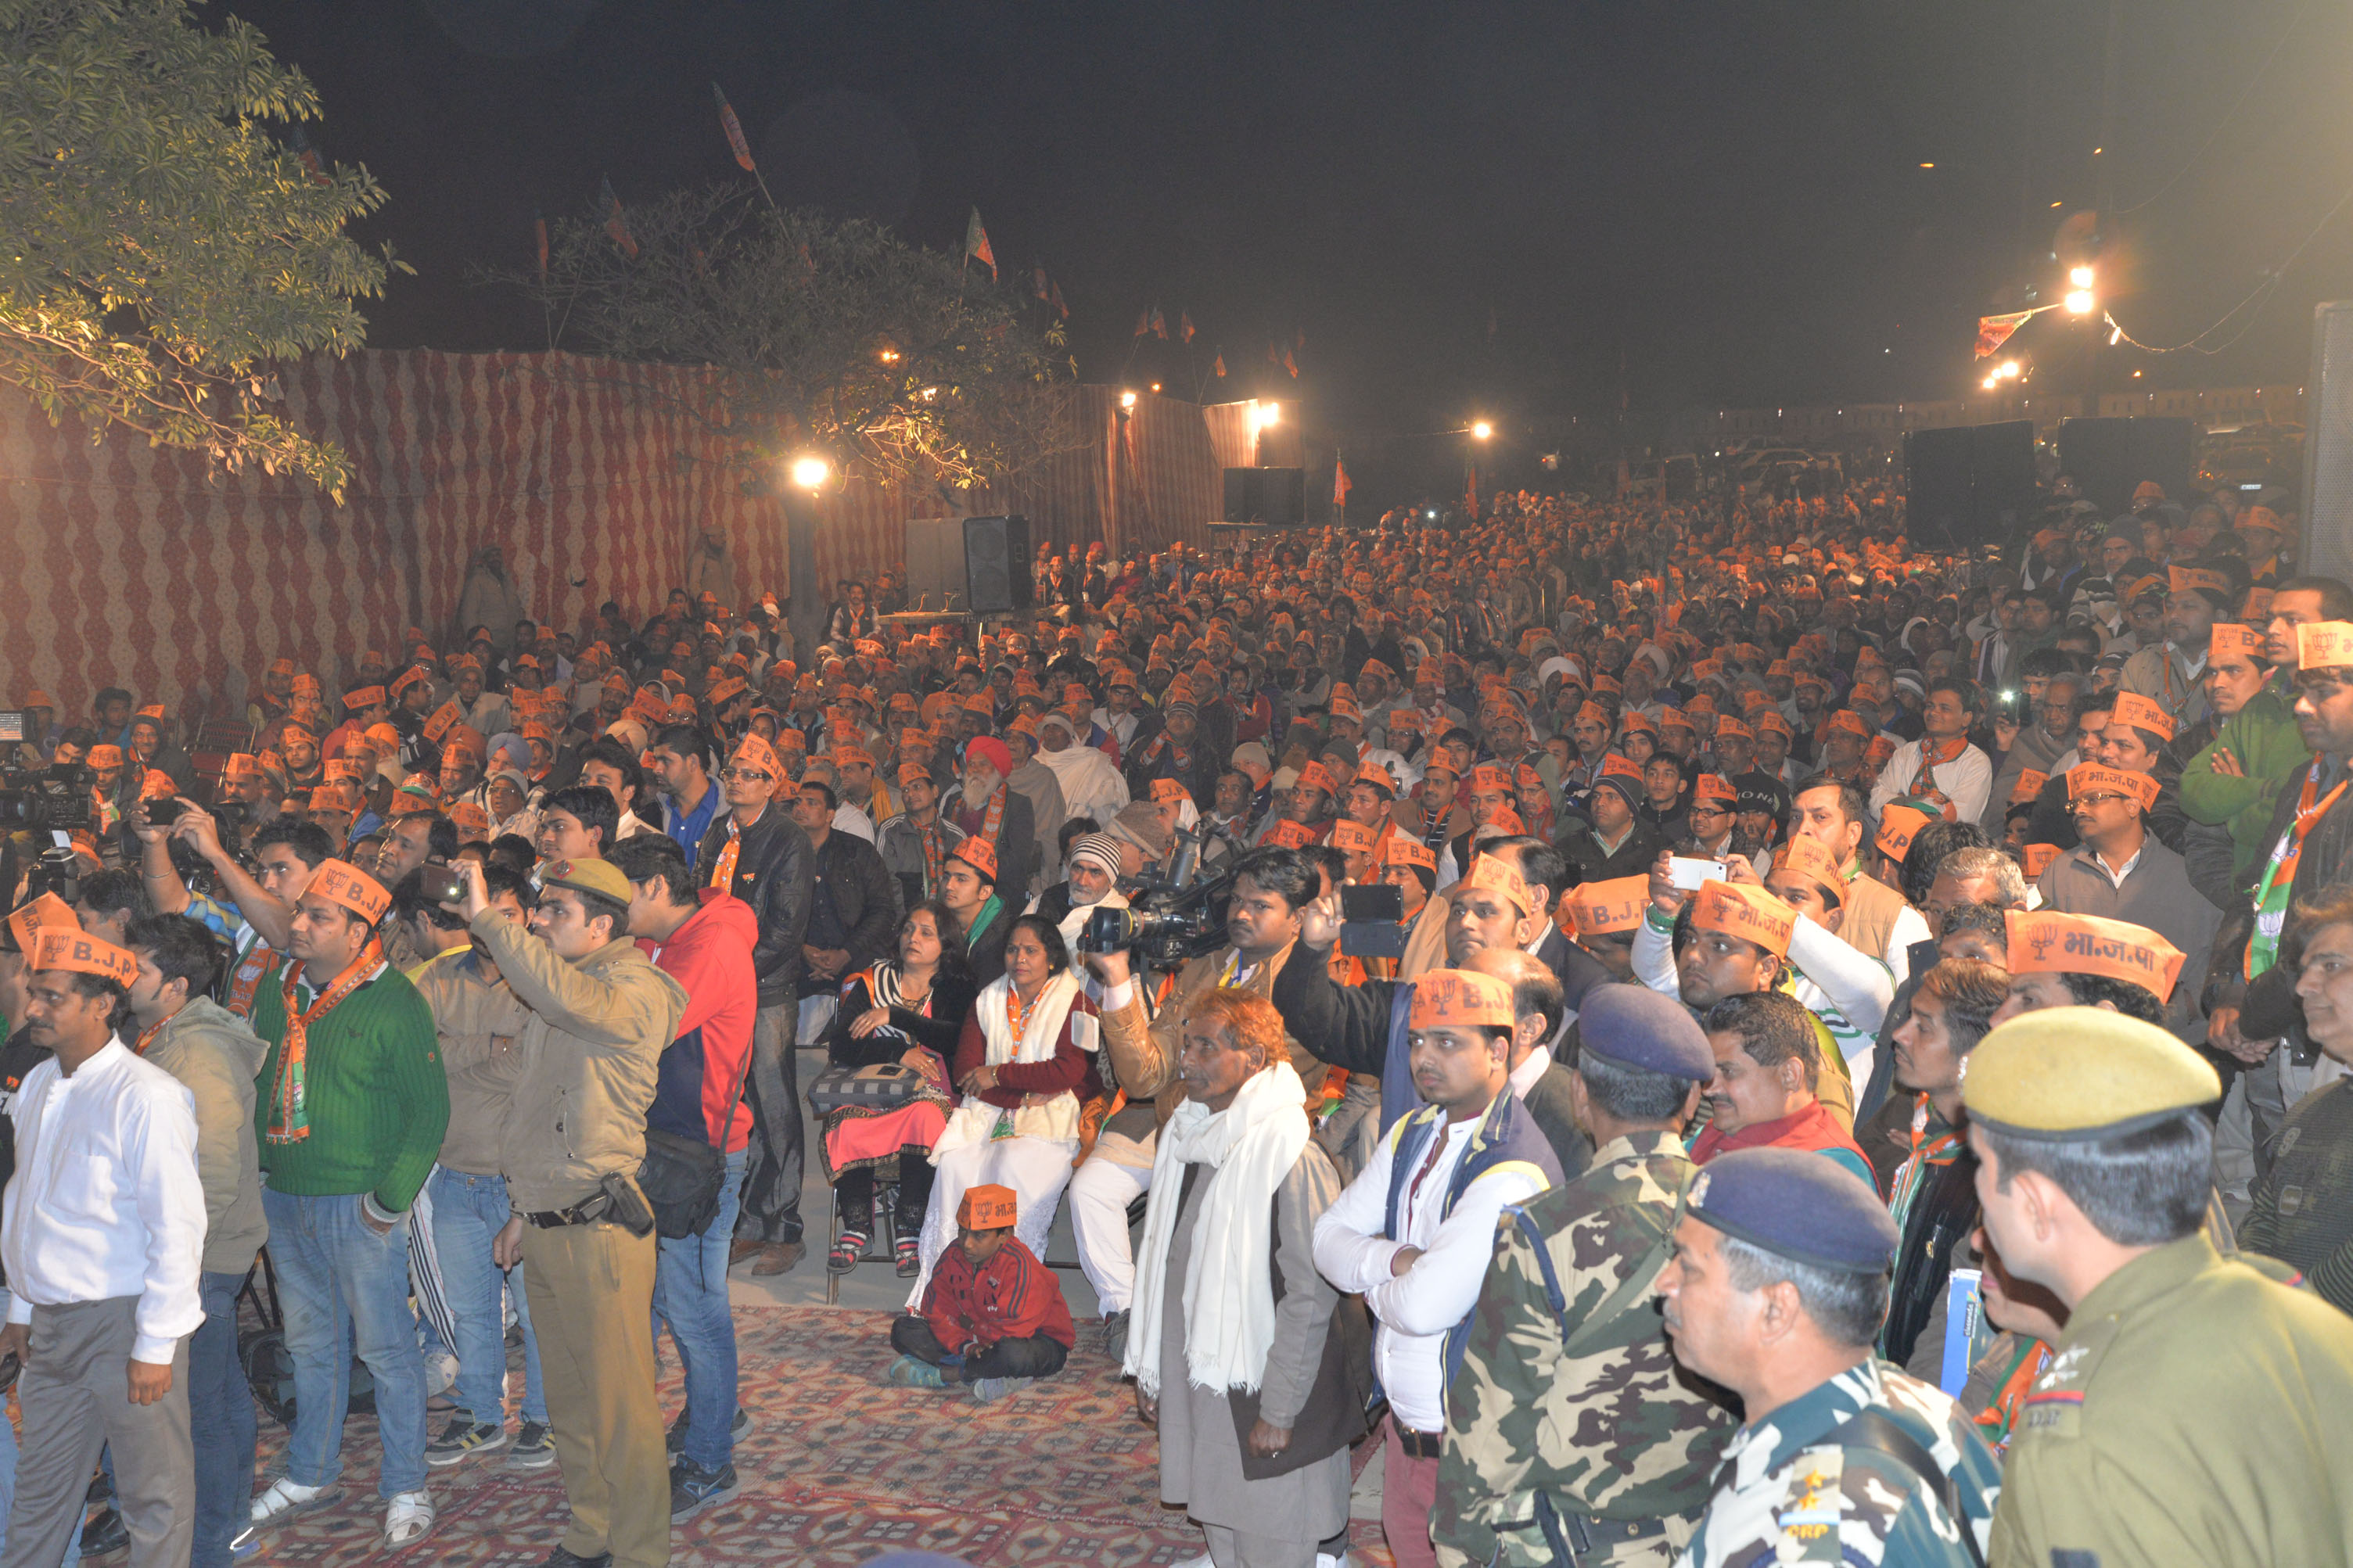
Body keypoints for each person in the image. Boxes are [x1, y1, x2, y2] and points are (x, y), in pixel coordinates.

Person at [1964, 1007, 2353, 1564]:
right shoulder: (2297, 1312)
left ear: (2035, 1204)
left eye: (1980, 1166)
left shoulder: (2081, 1433)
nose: (1979, 1237)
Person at [1435, 985, 1732, 1568]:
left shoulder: (1542, 1230)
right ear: (1695, 1097)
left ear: (1579, 1093)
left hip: (1576, 1543)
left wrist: (1463, 1547)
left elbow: (1492, 1419)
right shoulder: (1741, 1216)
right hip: (1712, 1534)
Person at [456, 855, 688, 1568]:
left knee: (621, 1407)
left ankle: (642, 1551)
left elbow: (561, 999)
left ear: (602, 925)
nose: (539, 921)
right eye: (539, 908)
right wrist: (525, 1209)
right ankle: (593, 1530)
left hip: (603, 1226)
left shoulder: (633, 988)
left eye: (556, 911)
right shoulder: (566, 990)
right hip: (551, 1220)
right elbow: (542, 1111)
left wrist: (489, 922)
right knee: (570, 1402)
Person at [1311, 969, 1561, 1568]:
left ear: (1499, 1051)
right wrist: (1397, 1259)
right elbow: (1325, 1239)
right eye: (1418, 1039)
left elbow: (1425, 1307)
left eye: (1448, 1041)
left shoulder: (1513, 1163)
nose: (1425, 1056)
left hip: (1469, 1448)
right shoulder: (1413, 1131)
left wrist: (1371, 1278)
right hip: (1406, 1433)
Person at [1659, 1147, 2001, 1567]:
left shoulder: (1816, 1536)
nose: (1664, 1282)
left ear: (1776, 1310)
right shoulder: (1922, 1408)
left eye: (1689, 1268)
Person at [246, 859, 448, 1548]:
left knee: (390, 1352)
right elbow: (260, 1082)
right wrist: (261, 1173)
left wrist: (389, 1202)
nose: (297, 925)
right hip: (287, 1197)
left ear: (361, 930)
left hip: (359, 1205)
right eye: (299, 911)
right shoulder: (280, 991)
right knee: (310, 1346)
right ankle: (311, 1469)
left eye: (318, 916)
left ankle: (406, 1484)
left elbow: (429, 1113)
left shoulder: (394, 1001)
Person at [1124, 989, 1361, 1568]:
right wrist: (1155, 1365)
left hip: (1267, 1398)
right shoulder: (1192, 1137)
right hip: (1210, 1389)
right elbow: (1168, 1265)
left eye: (1206, 1045)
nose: (1187, 1058)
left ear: (1254, 1057)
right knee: (1226, 1534)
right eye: (1186, 1044)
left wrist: (1279, 1409)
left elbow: (1311, 1297)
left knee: (1274, 1540)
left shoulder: (1288, 1154)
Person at [0, 928, 205, 1568]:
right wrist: (21, 1309)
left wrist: (156, 1344)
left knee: (153, 1497)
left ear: (101, 1006)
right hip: (54, 1329)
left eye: (52, 997)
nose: (34, 1009)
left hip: (128, 1322)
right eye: (34, 993)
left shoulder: (147, 1095)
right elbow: (28, 1204)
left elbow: (178, 1226)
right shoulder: (37, 1086)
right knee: (39, 1495)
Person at [1083, 846, 1327, 1362]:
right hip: (1182, 1133)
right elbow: (1146, 1074)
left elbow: (1249, 1084)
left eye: (1260, 905)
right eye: (1236, 901)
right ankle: (1133, 1314)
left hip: (1258, 1152)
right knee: (1094, 1188)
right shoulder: (1205, 970)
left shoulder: (1311, 980)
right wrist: (1118, 979)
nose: (1240, 914)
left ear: (1299, 917)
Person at [603, 832, 760, 1521]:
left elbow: (637, 1025)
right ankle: (715, 1414)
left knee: (694, 1307)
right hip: (664, 1144)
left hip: (703, 1151)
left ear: (657, 890)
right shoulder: (663, 939)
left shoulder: (713, 943)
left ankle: (709, 1462)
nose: (611, 915)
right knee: (678, 1300)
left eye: (618, 899)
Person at [120, 914, 269, 1568]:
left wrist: (172, 1259)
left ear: (176, 985)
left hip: (202, 1257)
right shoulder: (173, 1037)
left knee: (198, 1407)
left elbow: (211, 1170)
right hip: (210, 1252)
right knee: (221, 1392)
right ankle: (230, 1523)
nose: (126, 977)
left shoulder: (197, 1053)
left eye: (139, 969)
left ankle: (212, 1541)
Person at [406, 868, 554, 1472]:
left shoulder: (543, 980)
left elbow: (527, 1068)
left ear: (528, 918)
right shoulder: (440, 975)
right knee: (471, 1308)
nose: (492, 922)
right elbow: (416, 1052)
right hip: (453, 1171)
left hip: (523, 1180)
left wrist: (453, 1051)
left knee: (537, 1309)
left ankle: (543, 1417)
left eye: (509, 911)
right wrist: (484, 1047)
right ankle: (482, 1414)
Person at [907, 913, 1101, 1298]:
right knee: (956, 1166)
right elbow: (966, 1073)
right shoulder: (987, 1000)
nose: (1020, 958)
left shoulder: (1078, 1003)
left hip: (1054, 1114)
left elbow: (1068, 1071)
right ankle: (945, 1290)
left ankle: (1013, 1290)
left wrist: (996, 1075)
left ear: (1052, 959)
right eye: (1013, 949)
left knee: (1010, 1166)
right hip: (989, 1112)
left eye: (1031, 950)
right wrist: (1021, 1093)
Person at [693, 734, 814, 1279]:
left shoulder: (787, 837)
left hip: (765, 989)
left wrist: (735, 973)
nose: (735, 779)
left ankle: (785, 1227)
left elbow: (787, 928)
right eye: (733, 771)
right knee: (731, 1105)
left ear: (772, 783)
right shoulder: (720, 831)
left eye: (748, 773)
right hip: (721, 987)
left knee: (774, 1104)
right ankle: (747, 1221)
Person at [817, 902, 975, 1278]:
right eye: (908, 929)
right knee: (845, 1118)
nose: (913, 938)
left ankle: (909, 1224)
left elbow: (958, 1039)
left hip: (934, 1093)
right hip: (875, 1088)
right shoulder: (873, 981)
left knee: (925, 1115)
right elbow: (842, 1045)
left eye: (926, 932)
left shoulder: (957, 987)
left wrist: (898, 1017)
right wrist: (898, 1051)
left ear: (946, 944)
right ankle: (857, 1224)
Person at [887, 1183, 1075, 1401]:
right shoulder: (953, 1256)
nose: (967, 1243)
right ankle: (989, 1373)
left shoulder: (1021, 1267)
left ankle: (951, 1373)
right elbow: (937, 1307)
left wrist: (976, 1338)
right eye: (962, 1231)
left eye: (979, 1236)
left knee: (1011, 1355)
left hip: (1034, 1340)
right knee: (904, 1329)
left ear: (1004, 1234)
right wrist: (967, 1345)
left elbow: (1015, 1329)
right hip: (974, 1340)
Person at [1688, 991, 1873, 1186]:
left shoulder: (1832, 1169)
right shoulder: (1713, 1133)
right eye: (1710, 1072)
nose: (1708, 1090)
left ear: (1789, 1076)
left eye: (1728, 1072)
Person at [939, 835, 1012, 987]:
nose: (949, 886)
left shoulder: (1001, 939)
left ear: (985, 892)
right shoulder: (937, 919)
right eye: (946, 877)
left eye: (961, 879)